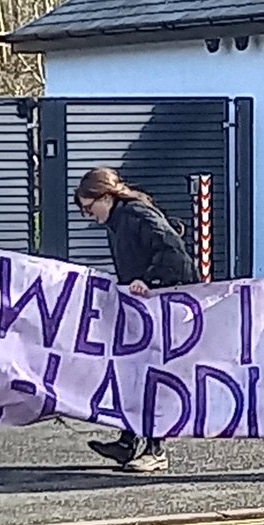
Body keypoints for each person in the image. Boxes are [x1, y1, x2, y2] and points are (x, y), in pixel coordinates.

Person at [73, 167, 199, 473]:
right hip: (145, 305)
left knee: (153, 376)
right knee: (132, 372)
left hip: (164, 306)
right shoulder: (120, 220)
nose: (89, 216)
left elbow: (174, 252)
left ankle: (155, 449)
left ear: (106, 197)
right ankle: (128, 441)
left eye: (89, 209)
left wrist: (150, 280)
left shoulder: (136, 216)